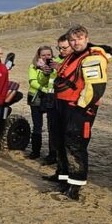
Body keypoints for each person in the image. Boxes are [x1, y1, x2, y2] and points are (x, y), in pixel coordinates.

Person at [44, 25, 112, 201]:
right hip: (62, 104)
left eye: (79, 39)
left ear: (86, 39)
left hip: (78, 108)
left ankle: (75, 185)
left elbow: (95, 88)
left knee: (75, 145)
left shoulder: (93, 58)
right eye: (72, 40)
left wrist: (80, 108)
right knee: (60, 141)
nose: (76, 42)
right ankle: (64, 178)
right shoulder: (73, 56)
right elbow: (65, 74)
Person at [41, 35, 71, 166]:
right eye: (59, 48)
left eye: (64, 48)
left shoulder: (73, 61)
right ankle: (53, 155)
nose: (61, 51)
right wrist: (45, 73)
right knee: (52, 129)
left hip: (66, 100)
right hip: (51, 98)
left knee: (66, 132)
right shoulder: (56, 60)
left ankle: (64, 162)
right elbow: (45, 81)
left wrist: (61, 69)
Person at [26, 45, 56, 160]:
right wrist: (45, 89)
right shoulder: (33, 66)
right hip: (36, 98)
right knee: (37, 126)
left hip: (50, 98)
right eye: (43, 55)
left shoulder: (55, 66)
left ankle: (52, 153)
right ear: (39, 55)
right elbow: (32, 82)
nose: (46, 57)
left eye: (48, 55)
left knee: (51, 127)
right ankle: (35, 152)